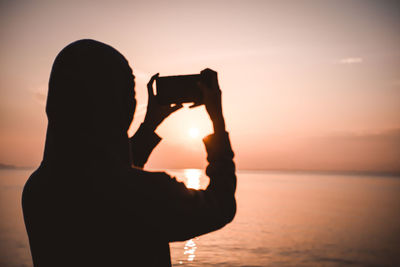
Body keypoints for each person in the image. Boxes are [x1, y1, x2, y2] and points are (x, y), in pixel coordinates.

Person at [22, 39, 236, 267]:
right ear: (121, 105)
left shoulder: (38, 188)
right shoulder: (145, 195)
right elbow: (219, 206)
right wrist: (217, 121)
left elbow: (105, 170)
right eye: (128, 93)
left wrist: (148, 126)